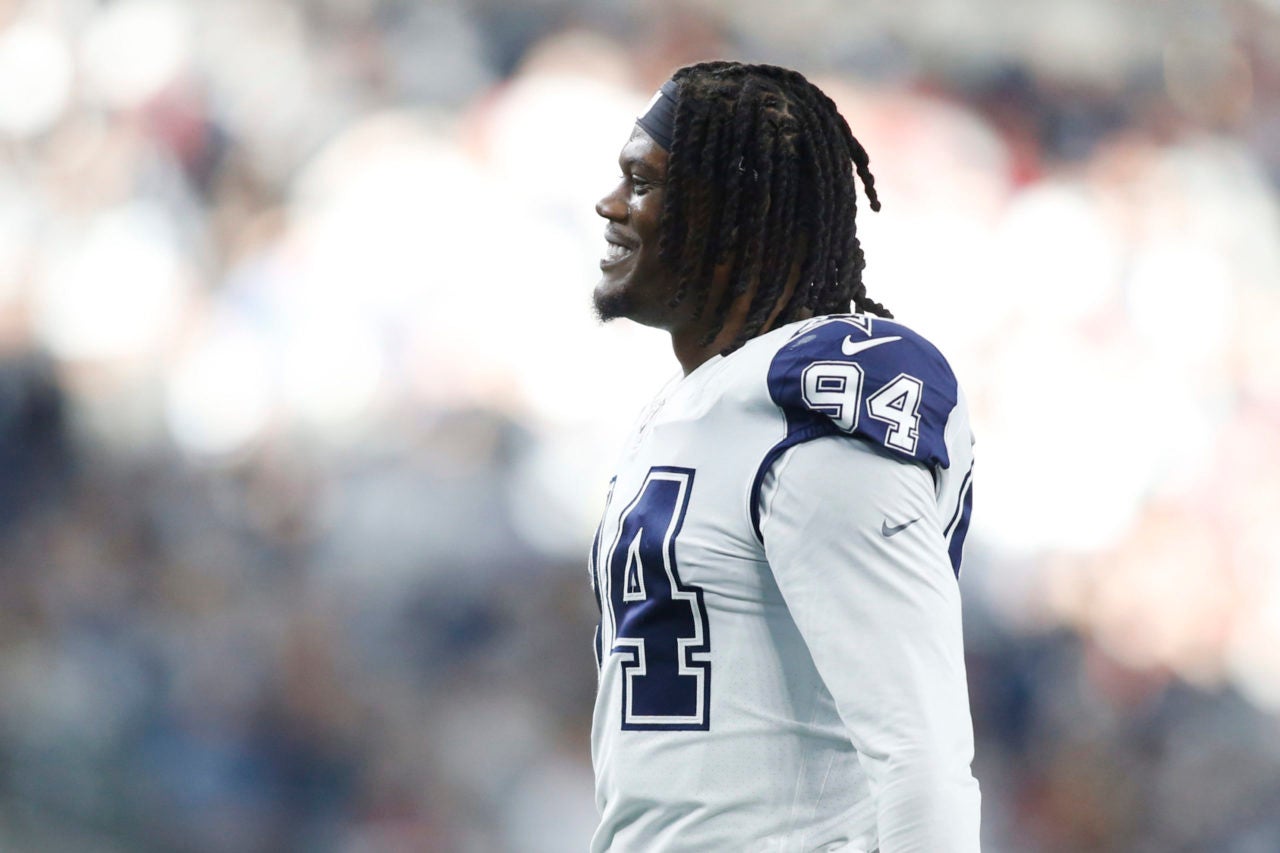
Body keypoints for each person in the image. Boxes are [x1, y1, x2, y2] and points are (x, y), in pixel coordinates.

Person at [587, 61, 980, 852]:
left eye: (642, 182)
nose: (610, 205)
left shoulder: (814, 409)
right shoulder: (693, 406)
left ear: (720, 216)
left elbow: (922, 754)